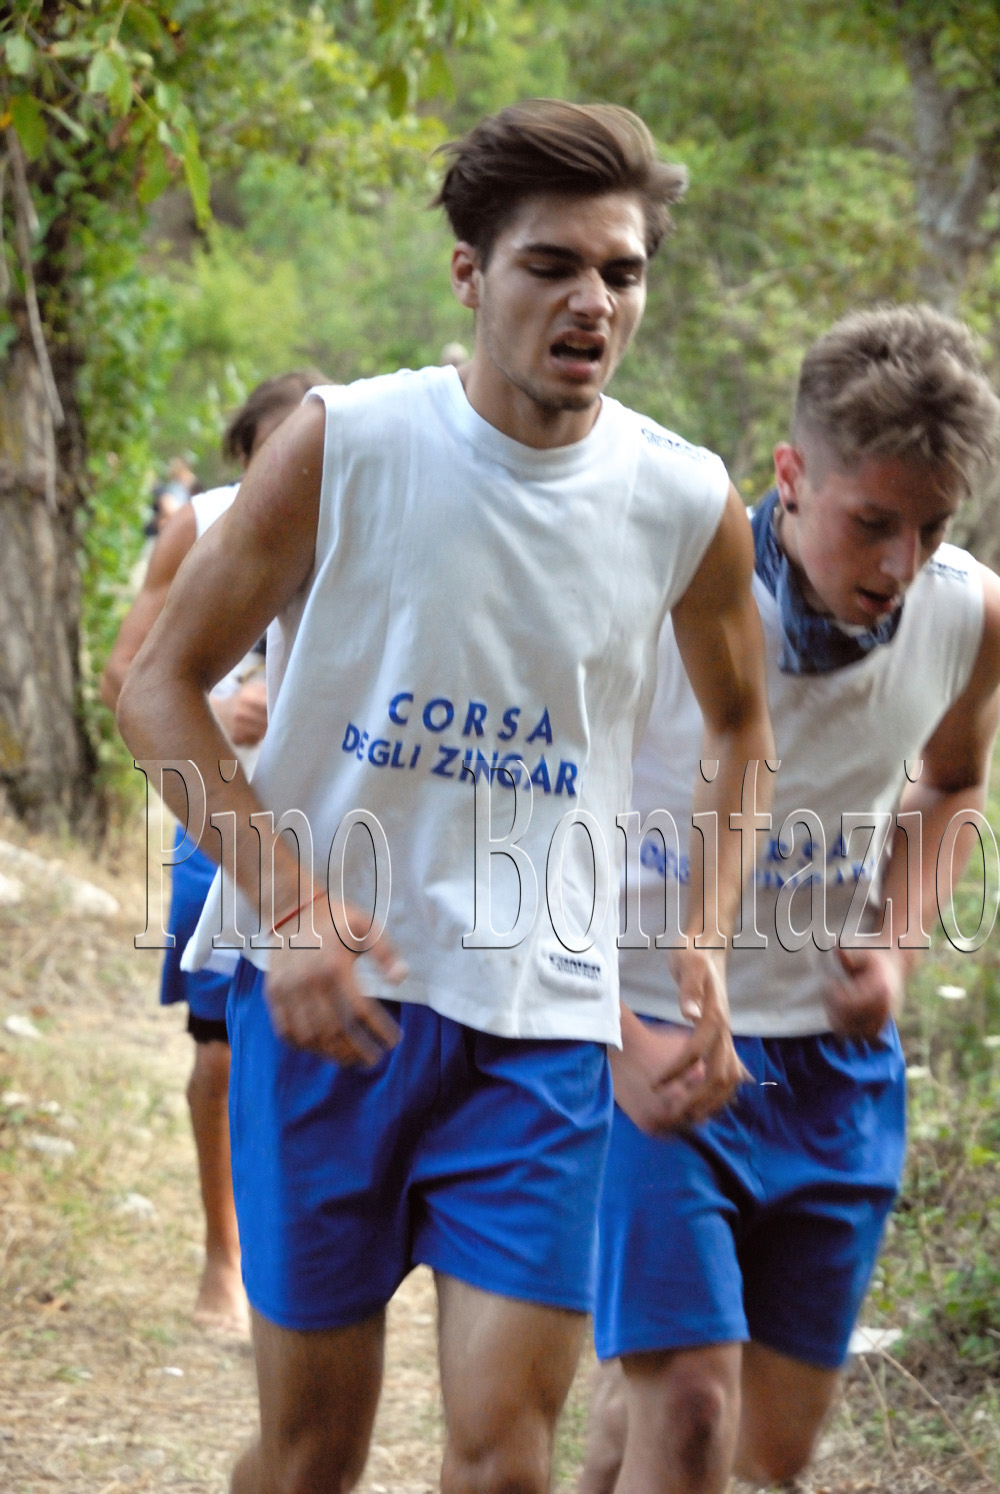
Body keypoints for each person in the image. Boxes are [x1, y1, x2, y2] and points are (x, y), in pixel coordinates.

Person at [116, 100, 773, 1494]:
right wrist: (291, 907)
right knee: (311, 1458)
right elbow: (156, 688)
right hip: (332, 1007)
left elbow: (738, 727)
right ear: (471, 273)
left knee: (505, 1460)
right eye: (552, 265)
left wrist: (701, 940)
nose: (593, 301)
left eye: (623, 271)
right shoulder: (347, 443)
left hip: (543, 1020)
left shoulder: (682, 498)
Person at [578, 303, 1000, 1494]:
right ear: (791, 475)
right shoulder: (663, 598)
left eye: (929, 528)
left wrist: (896, 948)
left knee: (758, 1456)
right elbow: (535, 814)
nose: (898, 566)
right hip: (658, 1039)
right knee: (692, 1412)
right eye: (872, 523)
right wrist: (607, 1034)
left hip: (831, 1074)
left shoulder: (967, 614)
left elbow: (953, 783)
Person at [102, 370, 324, 1335]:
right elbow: (126, 673)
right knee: (220, 1052)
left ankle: (302, 1265)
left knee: (323, 1046)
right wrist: (225, 711)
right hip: (220, 819)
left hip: (335, 826)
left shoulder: (369, 520)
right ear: (245, 456)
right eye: (280, 447)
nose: (301, 463)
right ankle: (222, 1257)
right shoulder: (203, 524)